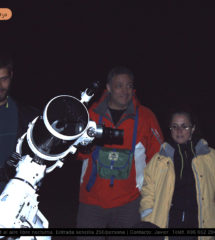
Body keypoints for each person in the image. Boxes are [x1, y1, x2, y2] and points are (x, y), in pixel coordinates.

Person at [76, 66, 163, 238]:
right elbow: (78, 154)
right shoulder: (90, 113)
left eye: (129, 86)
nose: (125, 91)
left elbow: (159, 159)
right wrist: (85, 146)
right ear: (108, 87)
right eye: (119, 86)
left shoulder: (146, 117)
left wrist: (153, 196)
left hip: (129, 203)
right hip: (91, 200)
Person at [139, 110, 215, 240]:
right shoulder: (159, 159)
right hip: (168, 226)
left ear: (193, 129)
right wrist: (149, 220)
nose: (179, 131)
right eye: (174, 126)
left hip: (199, 227)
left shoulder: (209, 157)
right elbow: (147, 191)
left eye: (184, 126)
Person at [0, 52, 40, 194]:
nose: (0, 86)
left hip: (15, 196)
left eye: (3, 79)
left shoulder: (27, 115)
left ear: (11, 76)